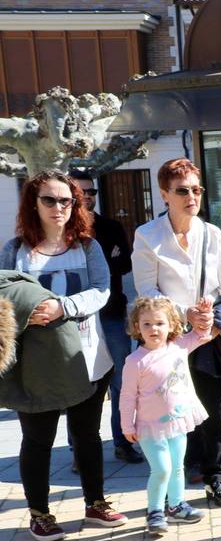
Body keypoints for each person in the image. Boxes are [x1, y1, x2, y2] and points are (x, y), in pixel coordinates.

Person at [1, 171, 126, 541]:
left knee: (87, 434)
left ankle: (96, 503)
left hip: (87, 357)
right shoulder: (15, 250)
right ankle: (39, 513)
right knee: (38, 439)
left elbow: (103, 290)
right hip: (38, 364)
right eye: (49, 200)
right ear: (33, 204)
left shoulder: (88, 247)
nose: (59, 208)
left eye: (66, 201)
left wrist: (62, 307)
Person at [132, 158, 221, 507]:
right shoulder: (147, 236)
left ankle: (216, 476)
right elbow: (146, 292)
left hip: (208, 335)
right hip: (167, 339)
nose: (192, 197)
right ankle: (171, 485)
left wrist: (207, 311)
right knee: (169, 412)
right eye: (182, 191)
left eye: (197, 189)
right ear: (165, 194)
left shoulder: (213, 234)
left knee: (215, 409)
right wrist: (183, 314)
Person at [120, 296, 214, 535]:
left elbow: (203, 334)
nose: (154, 329)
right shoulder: (134, 361)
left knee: (178, 467)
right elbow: (128, 396)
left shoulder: (179, 347)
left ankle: (176, 506)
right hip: (150, 428)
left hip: (177, 422)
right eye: (147, 324)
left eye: (160, 323)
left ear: (172, 324)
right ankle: (155, 511)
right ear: (137, 328)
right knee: (161, 469)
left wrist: (205, 312)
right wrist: (126, 425)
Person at [72, 170, 142, 464]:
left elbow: (125, 262)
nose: (88, 196)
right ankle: (79, 451)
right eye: (82, 192)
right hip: (78, 319)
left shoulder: (111, 226)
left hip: (112, 314)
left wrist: (102, 268)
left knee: (120, 381)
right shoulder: (65, 231)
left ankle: (122, 443)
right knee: (80, 385)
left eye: (92, 192)